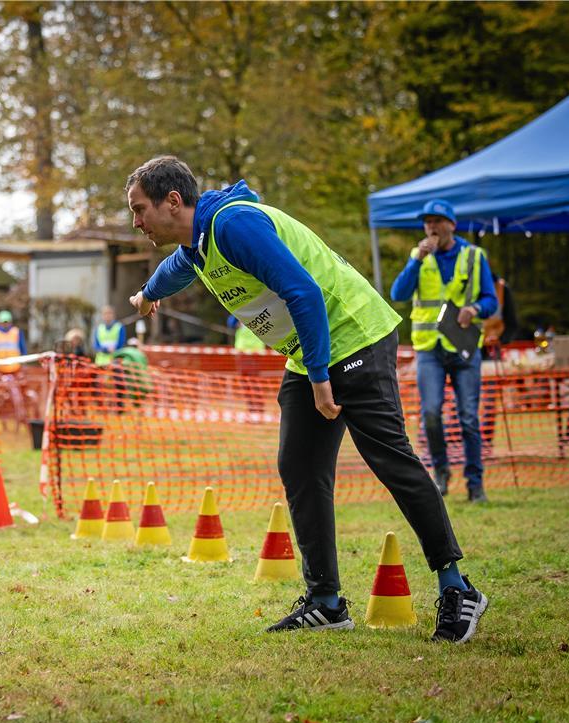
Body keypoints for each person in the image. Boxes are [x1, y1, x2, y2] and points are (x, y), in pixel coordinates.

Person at [126, 155, 487, 643]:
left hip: (354, 337)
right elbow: (178, 268)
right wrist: (149, 291)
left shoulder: (233, 224)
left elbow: (304, 293)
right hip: (310, 353)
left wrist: (320, 377)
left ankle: (456, 586)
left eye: (139, 208)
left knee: (390, 459)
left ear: (173, 201)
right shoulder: (201, 243)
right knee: (299, 465)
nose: (136, 221)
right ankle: (326, 602)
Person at [389, 200, 497, 503]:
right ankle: (441, 471)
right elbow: (398, 294)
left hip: (464, 349)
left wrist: (475, 308)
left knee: (468, 418)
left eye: (437, 221)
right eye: (427, 223)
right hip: (429, 351)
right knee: (431, 414)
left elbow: (492, 301)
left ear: (451, 224)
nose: (432, 228)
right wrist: (416, 261)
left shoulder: (474, 257)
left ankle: (475, 484)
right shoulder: (419, 256)